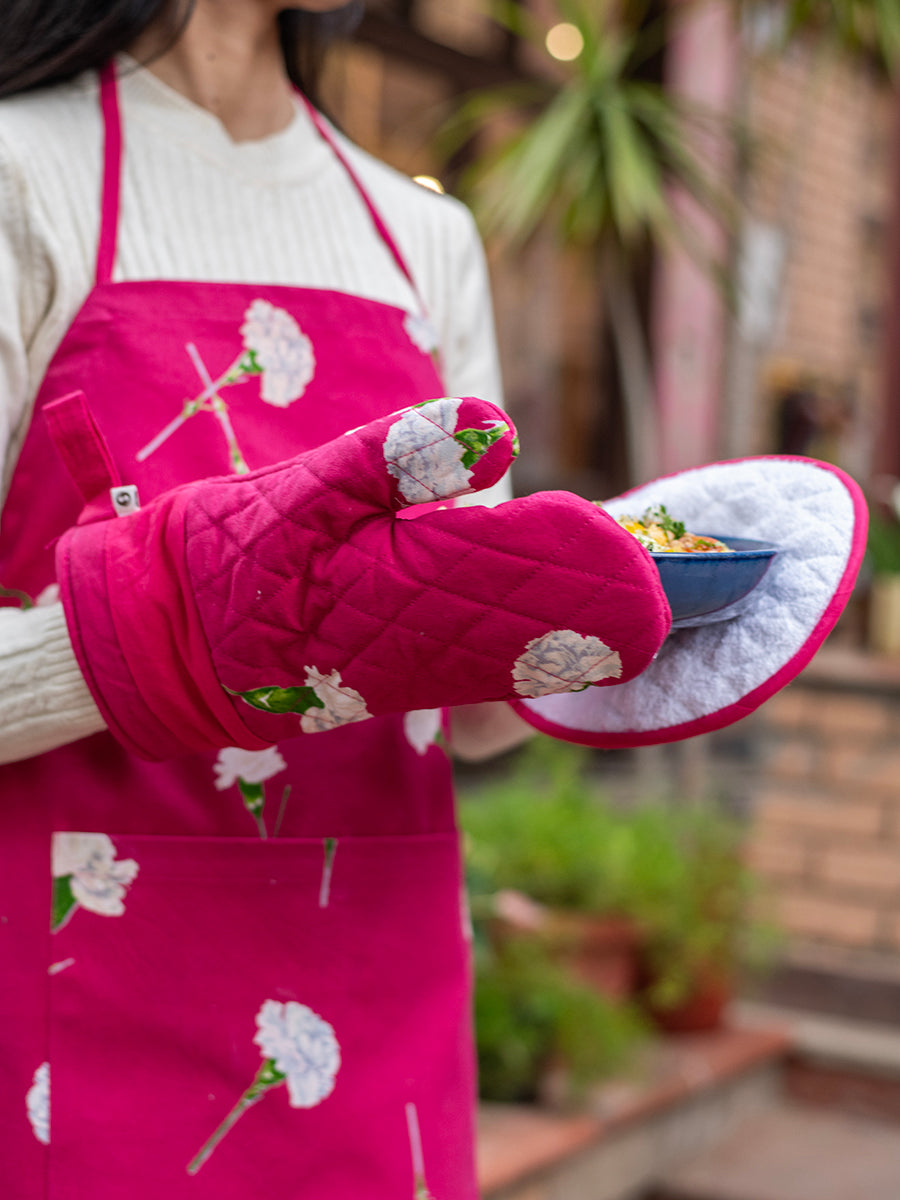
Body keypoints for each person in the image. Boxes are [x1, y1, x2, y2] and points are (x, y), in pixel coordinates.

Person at [0, 3, 670, 1196]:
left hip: (375, 992)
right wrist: (177, 630)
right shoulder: (22, 175)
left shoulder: (424, 235)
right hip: (79, 988)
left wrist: (600, 630)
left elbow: (465, 714)